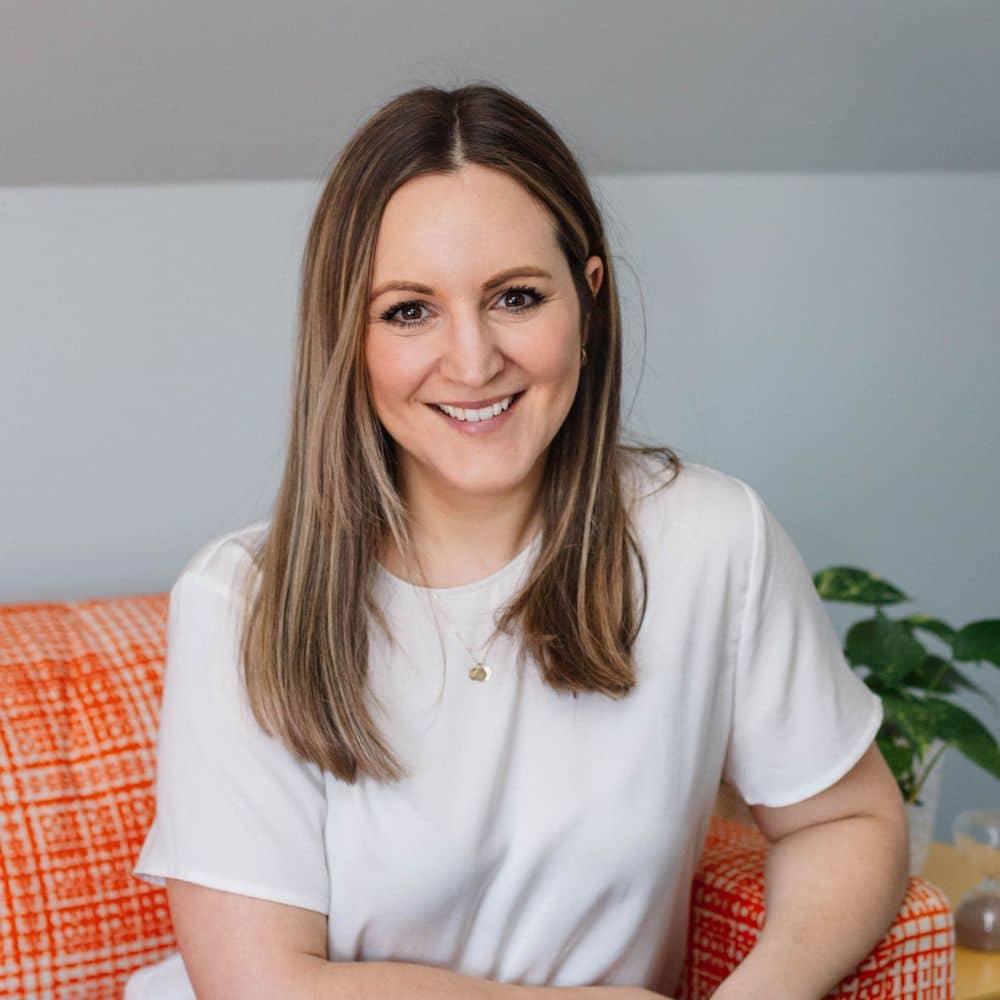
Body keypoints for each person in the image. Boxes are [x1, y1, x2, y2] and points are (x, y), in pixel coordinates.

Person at [126, 83, 904, 1000]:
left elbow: (849, 819)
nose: (472, 361)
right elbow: (259, 986)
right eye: (409, 310)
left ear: (589, 300)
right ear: (349, 334)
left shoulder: (709, 539)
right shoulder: (242, 600)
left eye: (516, 297)